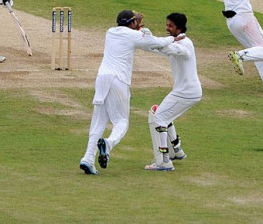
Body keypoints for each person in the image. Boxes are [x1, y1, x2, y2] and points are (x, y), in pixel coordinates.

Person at [79, 10, 184, 175]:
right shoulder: (133, 36)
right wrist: (173, 38)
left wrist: (135, 27)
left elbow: (130, 35)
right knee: (121, 122)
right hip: (118, 81)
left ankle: (88, 159)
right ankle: (108, 143)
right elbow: (155, 42)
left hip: (102, 79)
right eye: (135, 21)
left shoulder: (110, 32)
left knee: (98, 123)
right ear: (131, 23)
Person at [144, 13, 202, 172]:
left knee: (159, 117)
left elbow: (172, 49)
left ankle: (164, 162)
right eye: (167, 24)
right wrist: (144, 39)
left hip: (186, 92)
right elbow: (160, 50)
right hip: (185, 91)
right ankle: (177, 151)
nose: (167, 28)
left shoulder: (185, 43)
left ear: (180, 27)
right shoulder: (175, 42)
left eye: (170, 26)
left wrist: (154, 40)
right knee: (164, 115)